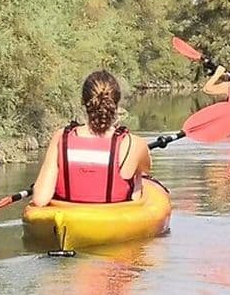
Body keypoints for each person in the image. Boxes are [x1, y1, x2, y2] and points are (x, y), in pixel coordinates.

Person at [31, 70, 151, 206]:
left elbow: (40, 200)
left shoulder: (61, 137)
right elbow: (146, 169)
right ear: (116, 103)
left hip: (69, 220)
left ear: (83, 101)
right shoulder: (132, 143)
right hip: (116, 220)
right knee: (139, 175)